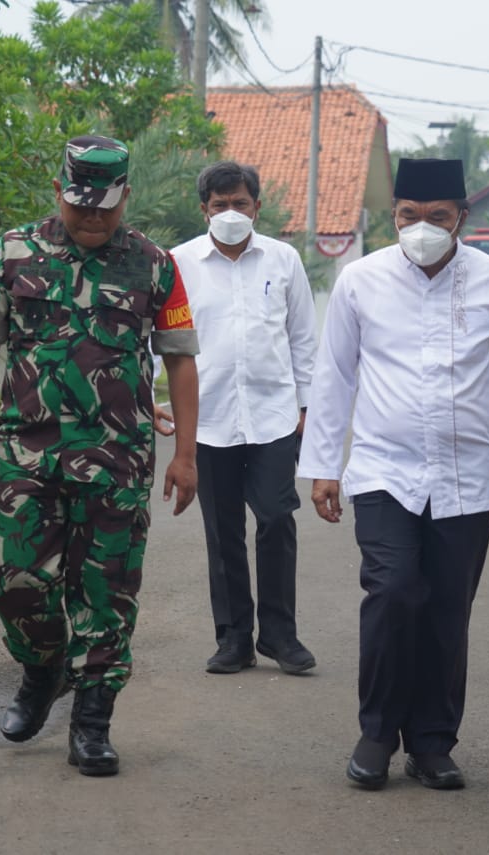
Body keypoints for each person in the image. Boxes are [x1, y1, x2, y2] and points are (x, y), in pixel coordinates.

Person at [298, 157, 489, 792]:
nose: (422, 228)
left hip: (465, 477)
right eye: (409, 216)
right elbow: (336, 376)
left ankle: (433, 742)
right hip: (385, 471)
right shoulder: (361, 281)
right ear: (395, 217)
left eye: (437, 217)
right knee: (391, 594)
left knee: (446, 609)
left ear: (461, 217)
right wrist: (324, 465)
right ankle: (378, 732)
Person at [0, 134, 200, 778]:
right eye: (80, 204)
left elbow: (180, 359)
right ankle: (43, 668)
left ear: (127, 198)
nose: (92, 217)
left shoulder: (155, 265)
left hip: (118, 461)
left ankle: (92, 724)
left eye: (106, 207)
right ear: (59, 191)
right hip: (27, 453)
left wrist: (186, 456)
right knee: (16, 581)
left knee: (106, 592)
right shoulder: (13, 252)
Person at [170, 161, 318, 676]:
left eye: (239, 204)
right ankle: (234, 637)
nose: (230, 214)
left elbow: (301, 336)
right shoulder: (179, 263)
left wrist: (307, 405)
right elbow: (162, 342)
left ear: (257, 207)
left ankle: (280, 636)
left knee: (277, 519)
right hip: (206, 418)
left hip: (275, 415)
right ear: (204, 210)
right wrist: (161, 403)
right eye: (219, 205)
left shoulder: (283, 259)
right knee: (223, 530)